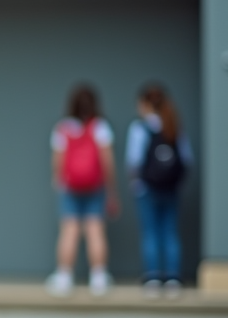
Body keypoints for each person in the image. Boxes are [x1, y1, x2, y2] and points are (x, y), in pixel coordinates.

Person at [45, 84, 120, 297]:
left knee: (69, 231)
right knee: (95, 230)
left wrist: (59, 180)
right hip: (95, 186)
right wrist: (111, 189)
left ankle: (64, 278)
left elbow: (57, 161)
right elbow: (107, 161)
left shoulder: (63, 128)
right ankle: (98, 278)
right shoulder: (100, 127)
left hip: (70, 186)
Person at [125, 83, 193, 297]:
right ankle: (172, 279)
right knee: (170, 232)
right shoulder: (173, 125)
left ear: (145, 104)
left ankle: (153, 278)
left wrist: (137, 184)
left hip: (147, 190)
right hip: (171, 189)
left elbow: (133, 161)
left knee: (151, 233)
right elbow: (187, 159)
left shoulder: (139, 128)